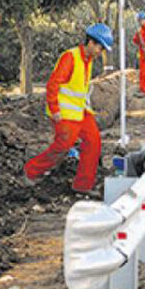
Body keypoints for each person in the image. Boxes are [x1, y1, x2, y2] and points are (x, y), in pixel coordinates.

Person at [24, 23, 113, 192]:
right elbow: (52, 85)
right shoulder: (70, 57)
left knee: (94, 142)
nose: (100, 53)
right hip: (64, 114)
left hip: (80, 112)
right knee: (62, 147)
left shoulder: (88, 60)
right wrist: (55, 110)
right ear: (91, 43)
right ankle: (31, 171)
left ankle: (83, 186)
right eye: (100, 48)